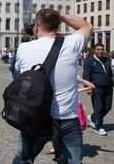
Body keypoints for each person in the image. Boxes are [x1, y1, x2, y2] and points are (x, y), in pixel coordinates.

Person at [12, 9, 93, 164]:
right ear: (58, 24)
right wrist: (60, 16)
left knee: (22, 159)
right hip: (66, 118)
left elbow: (18, 72)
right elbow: (87, 26)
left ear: (36, 26)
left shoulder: (24, 48)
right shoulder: (71, 44)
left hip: (35, 118)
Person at [83, 43, 113, 136]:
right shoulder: (90, 61)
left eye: (102, 49)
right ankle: (99, 127)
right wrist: (88, 88)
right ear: (95, 50)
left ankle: (93, 117)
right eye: (98, 49)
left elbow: (110, 73)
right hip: (96, 88)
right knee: (99, 108)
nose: (100, 51)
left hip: (108, 88)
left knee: (108, 107)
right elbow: (86, 75)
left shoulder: (107, 60)